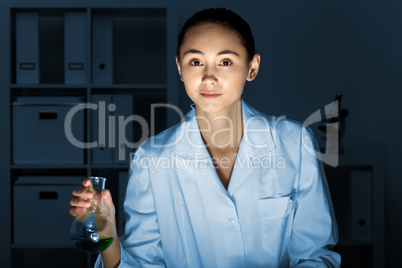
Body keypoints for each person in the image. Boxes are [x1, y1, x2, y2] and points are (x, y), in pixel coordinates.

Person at [70, 8, 341, 268]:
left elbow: (315, 255)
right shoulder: (152, 158)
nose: (209, 77)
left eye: (225, 62)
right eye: (196, 62)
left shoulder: (294, 144)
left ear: (252, 67)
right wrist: (107, 234)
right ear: (179, 68)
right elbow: (142, 263)